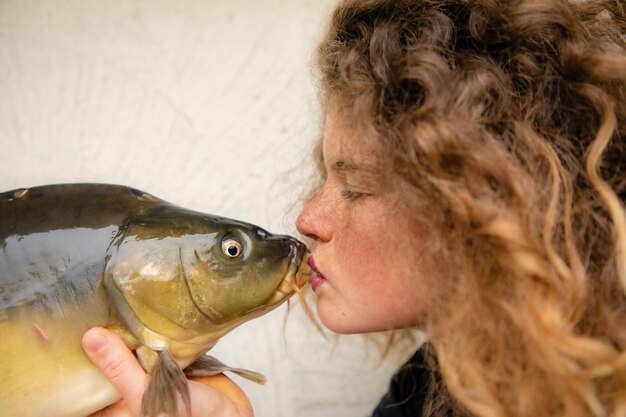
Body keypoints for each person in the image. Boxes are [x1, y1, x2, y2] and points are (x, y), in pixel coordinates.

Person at [83, 0, 626, 416]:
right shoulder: (423, 391)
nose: (307, 220)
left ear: (483, 207)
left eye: (358, 187)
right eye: (325, 174)